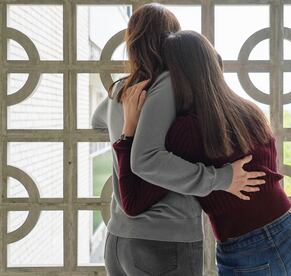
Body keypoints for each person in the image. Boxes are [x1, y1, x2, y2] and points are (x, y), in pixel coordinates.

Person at [114, 31, 291, 275]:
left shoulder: (186, 130)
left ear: (173, 75)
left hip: (249, 250)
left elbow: (133, 201)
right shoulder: (249, 111)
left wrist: (128, 134)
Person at [91, 4, 265, 276]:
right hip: (163, 243)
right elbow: (148, 159)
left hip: (117, 240)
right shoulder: (172, 85)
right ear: (171, 39)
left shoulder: (121, 88)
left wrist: (125, 121)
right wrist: (221, 178)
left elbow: (96, 121)